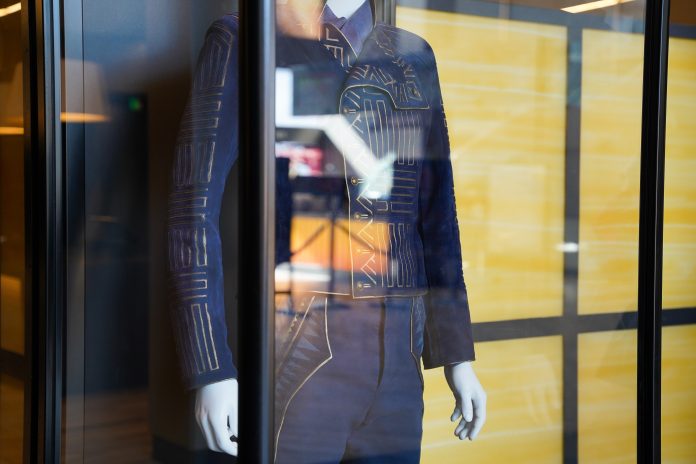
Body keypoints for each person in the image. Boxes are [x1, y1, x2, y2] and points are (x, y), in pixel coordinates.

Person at [168, 1, 486, 462]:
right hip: (295, 342)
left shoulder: (412, 55)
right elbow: (193, 209)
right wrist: (211, 366)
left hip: (400, 348)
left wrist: (456, 353)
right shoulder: (247, 37)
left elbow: (437, 214)